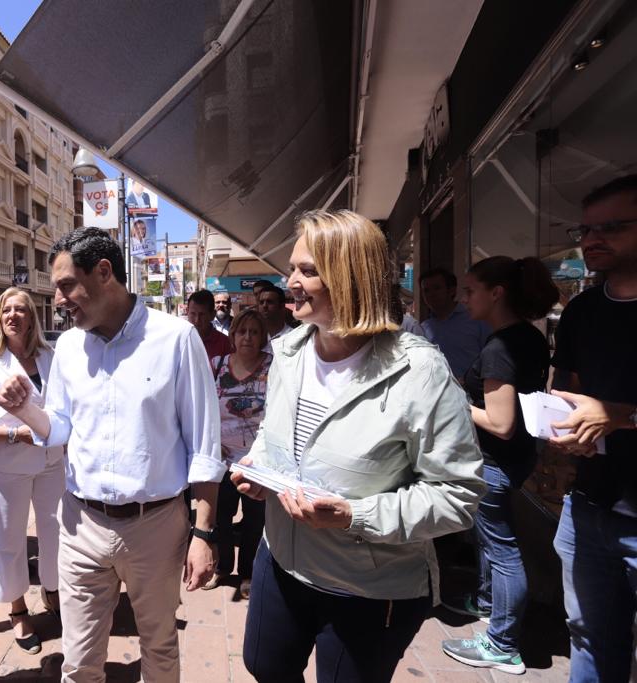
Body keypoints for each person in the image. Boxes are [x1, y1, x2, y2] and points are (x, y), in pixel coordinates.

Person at [231, 210, 484, 683]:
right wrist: (259, 467)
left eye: (308, 271)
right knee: (263, 665)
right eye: (293, 268)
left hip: (368, 586)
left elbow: (458, 495)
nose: (291, 282)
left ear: (351, 278)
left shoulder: (420, 372)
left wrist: (354, 515)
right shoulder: (286, 353)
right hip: (280, 558)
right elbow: (273, 433)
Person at [0, 228, 224, 683]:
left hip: (156, 527)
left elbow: (204, 444)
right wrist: (26, 410)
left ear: (104, 273)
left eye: (65, 285)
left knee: (158, 647)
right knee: (78, 662)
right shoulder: (69, 348)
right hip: (81, 524)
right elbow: (59, 426)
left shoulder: (175, 339)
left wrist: (203, 533)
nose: (58, 299)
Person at [439, 256, 558, 674]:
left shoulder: (501, 348)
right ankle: (489, 604)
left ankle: (502, 644)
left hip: (496, 462)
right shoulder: (528, 337)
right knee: (493, 542)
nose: (463, 298)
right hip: (514, 460)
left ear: (497, 293)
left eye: (470, 290)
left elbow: (501, 423)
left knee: (503, 549)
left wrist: (454, 397)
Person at [546, 175, 637, 682]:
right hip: (587, 509)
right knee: (588, 640)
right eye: (585, 230)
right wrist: (564, 435)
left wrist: (621, 416)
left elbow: (608, 411)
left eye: (612, 227)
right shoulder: (581, 310)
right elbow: (569, 395)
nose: (591, 240)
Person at [0, 287, 65, 655]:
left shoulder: (51, 357)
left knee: (56, 532)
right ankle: (18, 608)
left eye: (20, 310)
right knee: (9, 540)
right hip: (6, 465)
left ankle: (52, 590)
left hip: (53, 462)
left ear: (32, 317)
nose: (12, 316)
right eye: (6, 310)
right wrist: (13, 434)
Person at [204, 308, 271, 599]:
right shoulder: (217, 364)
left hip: (259, 462)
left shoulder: (273, 366)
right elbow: (202, 406)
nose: (247, 337)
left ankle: (247, 573)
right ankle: (222, 569)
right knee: (221, 516)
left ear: (262, 337)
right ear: (233, 335)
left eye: (254, 332)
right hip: (222, 458)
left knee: (255, 522)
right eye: (242, 331)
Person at [419, 267, 491, 380]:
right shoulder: (423, 328)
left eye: (437, 288)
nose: (431, 294)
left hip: (472, 394)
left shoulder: (476, 320)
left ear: (452, 290)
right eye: (426, 290)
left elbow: (490, 360)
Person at [187, 289, 231, 361]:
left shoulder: (226, 344)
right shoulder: (179, 341)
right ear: (187, 312)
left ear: (212, 315)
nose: (197, 320)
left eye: (202, 315)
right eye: (193, 314)